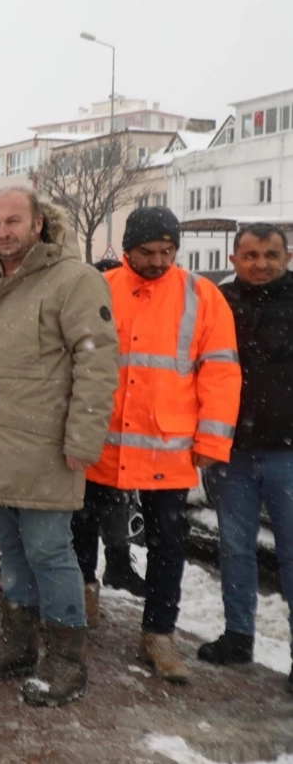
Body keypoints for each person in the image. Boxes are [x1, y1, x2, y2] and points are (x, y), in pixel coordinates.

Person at [0, 186, 118, 707]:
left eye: (14, 221)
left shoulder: (74, 280)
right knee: (12, 550)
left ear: (38, 222)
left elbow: (97, 364)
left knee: (49, 551)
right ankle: (18, 645)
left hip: (46, 448)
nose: (3, 232)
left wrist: (83, 438)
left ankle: (66, 660)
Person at [89, 206, 240, 684]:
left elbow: (220, 372)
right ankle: (80, 605)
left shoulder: (201, 295)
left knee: (168, 544)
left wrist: (212, 441)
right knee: (79, 529)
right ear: (127, 250)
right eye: (147, 251)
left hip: (166, 445)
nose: (158, 260)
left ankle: (158, 634)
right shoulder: (100, 289)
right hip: (99, 441)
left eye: (167, 251)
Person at [198, 223, 293, 696]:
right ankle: (239, 635)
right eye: (251, 255)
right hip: (230, 450)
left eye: (271, 255)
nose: (261, 264)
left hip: (287, 453)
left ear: (287, 257)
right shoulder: (218, 302)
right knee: (235, 548)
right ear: (234, 259)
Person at [70, 258, 149, 620]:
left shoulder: (131, 320)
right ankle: (85, 585)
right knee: (84, 514)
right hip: (88, 428)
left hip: (121, 430)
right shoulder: (81, 316)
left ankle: (115, 564)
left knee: (114, 503)